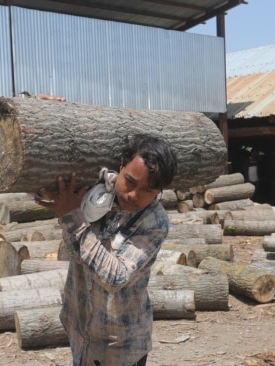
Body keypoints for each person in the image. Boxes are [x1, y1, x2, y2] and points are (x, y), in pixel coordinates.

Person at [36, 134, 178, 366]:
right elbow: (44, 187)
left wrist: (73, 218)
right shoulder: (96, 192)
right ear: (121, 166)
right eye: (130, 181)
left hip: (121, 347)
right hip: (80, 332)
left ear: (159, 191)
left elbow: (115, 276)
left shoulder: (154, 221)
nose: (133, 195)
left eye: (147, 190)